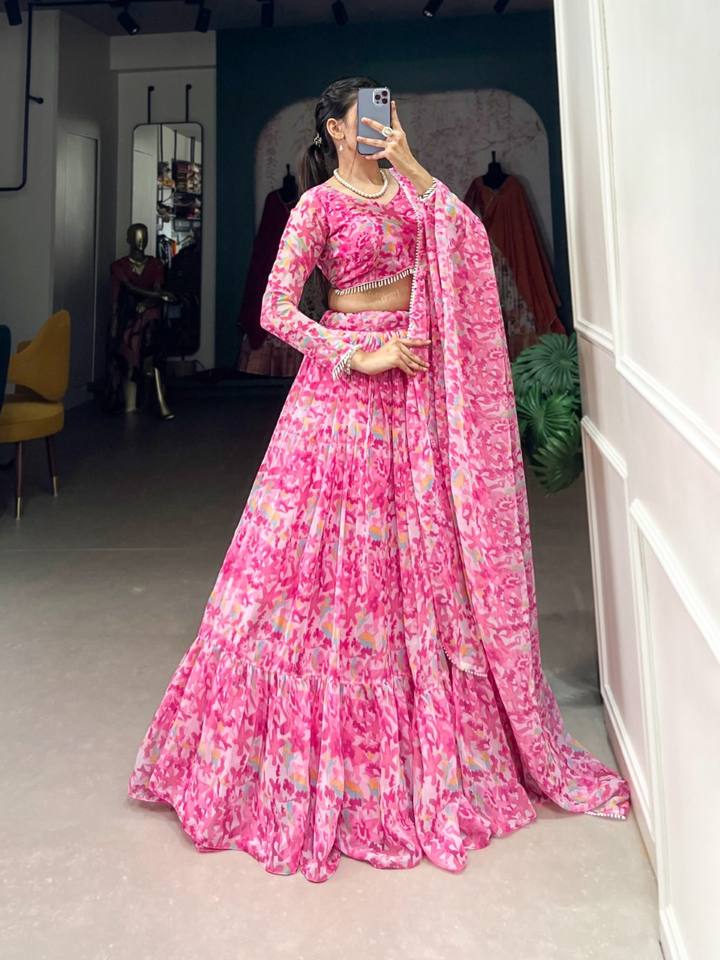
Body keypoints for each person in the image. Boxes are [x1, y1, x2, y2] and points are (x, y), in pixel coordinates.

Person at [127, 77, 631, 883]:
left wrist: (415, 166)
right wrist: (356, 352)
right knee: (321, 569)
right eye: (369, 114)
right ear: (335, 128)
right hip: (345, 395)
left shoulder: (413, 193)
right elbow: (276, 310)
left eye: (388, 112)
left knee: (422, 560)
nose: (383, 123)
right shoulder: (316, 206)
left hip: (417, 391)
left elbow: (468, 244)